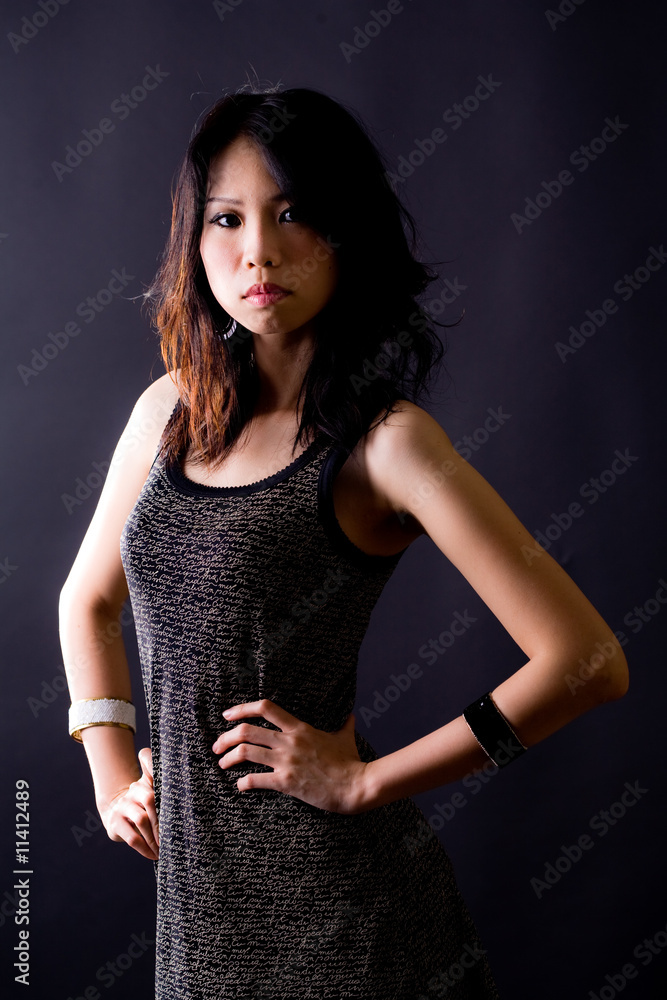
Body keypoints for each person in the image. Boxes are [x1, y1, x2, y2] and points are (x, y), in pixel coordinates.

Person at [59, 86, 629, 1000]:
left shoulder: (385, 445)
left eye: (292, 214)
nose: (257, 251)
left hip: (349, 932)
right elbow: (87, 601)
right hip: (199, 920)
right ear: (193, 240)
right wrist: (111, 774)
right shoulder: (168, 411)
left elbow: (589, 662)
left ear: (345, 231)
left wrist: (363, 783)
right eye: (226, 219)